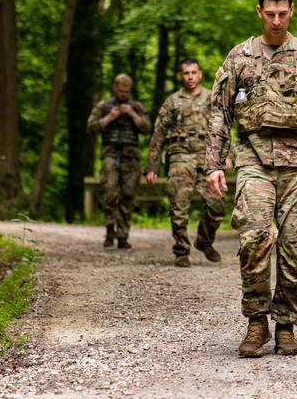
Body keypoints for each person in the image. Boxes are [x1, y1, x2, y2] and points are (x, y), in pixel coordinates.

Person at [205, 0, 297, 357]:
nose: (277, 21)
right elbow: (219, 112)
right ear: (259, 12)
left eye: (283, 13)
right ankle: (256, 323)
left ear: (292, 10)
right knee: (253, 238)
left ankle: (285, 324)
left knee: (296, 244)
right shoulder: (238, 58)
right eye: (270, 14)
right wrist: (215, 163)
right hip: (253, 158)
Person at [144, 59, 231, 268]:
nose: (190, 77)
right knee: (178, 205)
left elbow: (223, 129)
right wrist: (152, 165)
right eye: (185, 73)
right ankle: (181, 250)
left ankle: (204, 241)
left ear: (200, 74)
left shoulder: (212, 98)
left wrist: (227, 156)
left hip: (207, 157)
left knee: (216, 204)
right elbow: (159, 134)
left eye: (193, 73)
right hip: (180, 156)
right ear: (181, 76)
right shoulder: (173, 102)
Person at [87, 74, 152, 249]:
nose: (123, 94)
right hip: (110, 155)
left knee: (128, 195)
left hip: (131, 158)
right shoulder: (104, 107)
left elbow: (147, 128)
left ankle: (123, 235)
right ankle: (110, 230)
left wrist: (132, 114)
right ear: (114, 87)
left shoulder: (136, 107)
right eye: (121, 90)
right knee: (109, 191)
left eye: (126, 91)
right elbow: (91, 127)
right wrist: (109, 118)